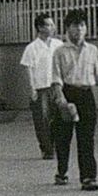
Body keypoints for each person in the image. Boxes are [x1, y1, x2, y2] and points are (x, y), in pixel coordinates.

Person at [51, 9, 98, 191]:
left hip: (87, 96)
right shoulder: (59, 52)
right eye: (74, 26)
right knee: (63, 137)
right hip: (67, 94)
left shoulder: (93, 50)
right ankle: (62, 171)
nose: (78, 30)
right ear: (67, 29)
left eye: (82, 25)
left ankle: (88, 177)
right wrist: (62, 101)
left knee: (86, 138)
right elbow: (56, 79)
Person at [19, 13, 64, 160]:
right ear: (40, 27)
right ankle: (47, 148)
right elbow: (28, 69)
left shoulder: (58, 44)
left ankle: (57, 145)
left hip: (56, 85)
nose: (52, 27)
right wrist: (31, 88)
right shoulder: (32, 48)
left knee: (58, 117)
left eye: (53, 25)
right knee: (42, 119)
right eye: (49, 25)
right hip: (40, 87)